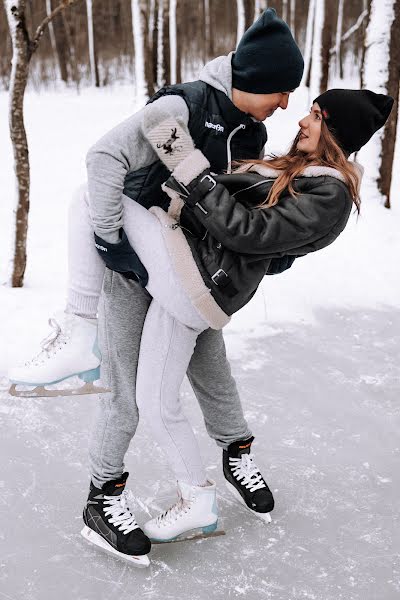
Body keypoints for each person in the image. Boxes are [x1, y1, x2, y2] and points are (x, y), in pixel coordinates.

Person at [10, 7, 304, 565]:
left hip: (186, 268)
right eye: (282, 90)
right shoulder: (182, 105)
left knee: (211, 366)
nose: (286, 103)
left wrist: (268, 251)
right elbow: (103, 158)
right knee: (125, 388)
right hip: (132, 264)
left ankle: (234, 453)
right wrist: (109, 243)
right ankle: (103, 497)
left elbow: (230, 204)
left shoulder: (254, 131)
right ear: (255, 80)